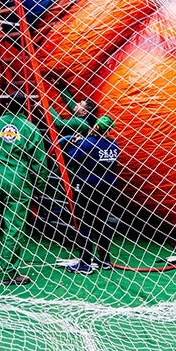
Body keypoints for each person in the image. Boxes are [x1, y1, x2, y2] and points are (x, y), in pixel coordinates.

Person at [0, 95, 46, 285]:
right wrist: (41, 188)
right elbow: (39, 163)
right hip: (18, 180)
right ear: (25, 106)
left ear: (5, 105)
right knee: (13, 228)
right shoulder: (30, 129)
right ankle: (8, 272)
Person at [57, 107, 120, 273]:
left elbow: (70, 156)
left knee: (85, 224)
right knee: (103, 223)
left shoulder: (88, 143)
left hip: (88, 188)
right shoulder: (114, 144)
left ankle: (85, 264)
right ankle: (105, 260)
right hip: (109, 188)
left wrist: (74, 143)